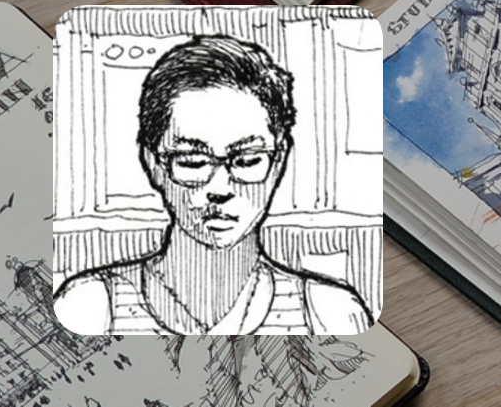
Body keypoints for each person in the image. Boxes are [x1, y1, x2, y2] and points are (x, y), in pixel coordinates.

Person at [54, 35, 372, 334]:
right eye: (193, 161)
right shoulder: (90, 304)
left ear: (278, 163)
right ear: (153, 164)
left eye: (247, 160)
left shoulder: (328, 310)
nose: (220, 188)